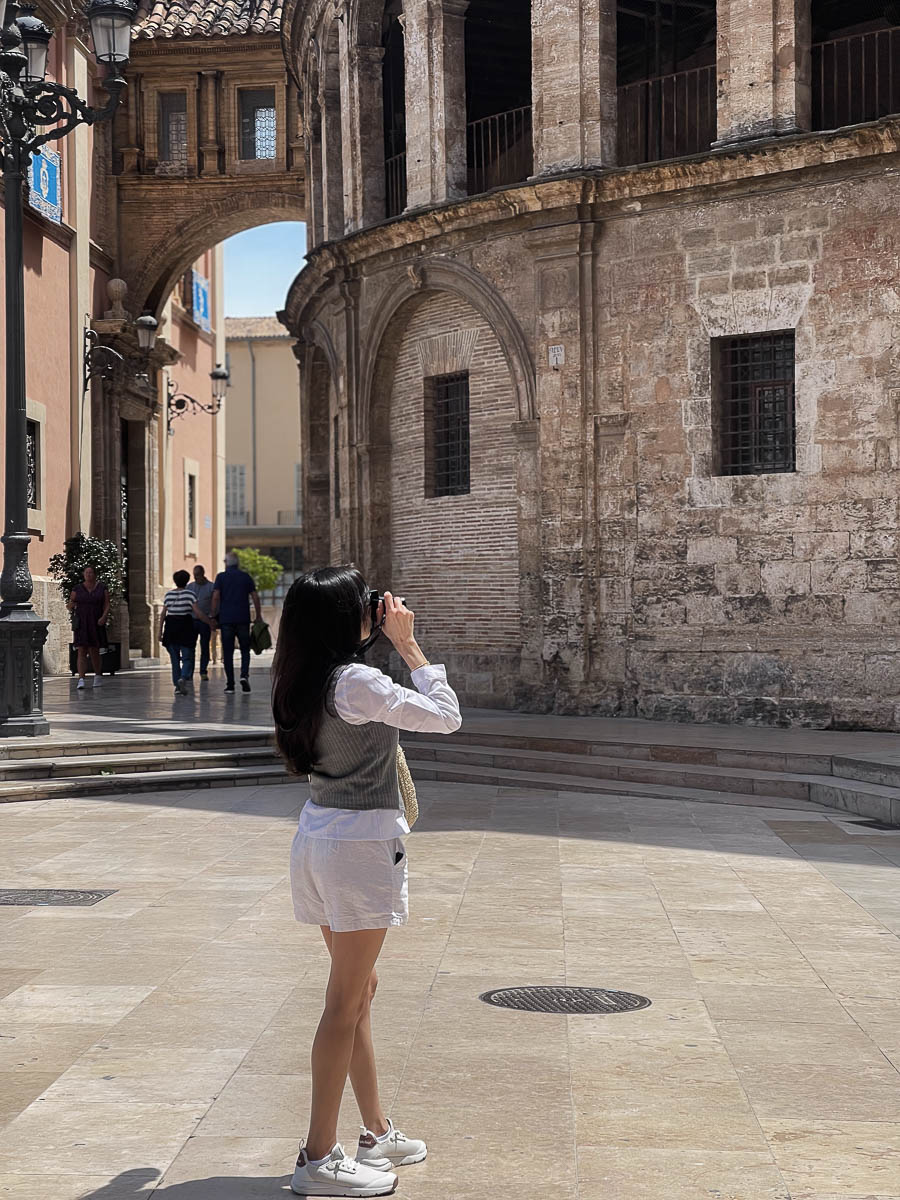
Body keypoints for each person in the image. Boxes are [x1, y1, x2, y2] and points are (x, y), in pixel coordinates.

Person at [271, 567, 461, 1198]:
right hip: (356, 849)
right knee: (344, 1002)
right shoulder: (358, 681)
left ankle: (375, 1132)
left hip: (320, 839)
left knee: (361, 988)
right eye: (364, 604)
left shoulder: (307, 673)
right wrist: (409, 646)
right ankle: (317, 1156)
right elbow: (446, 717)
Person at [211, 551, 261, 695]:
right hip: (243, 619)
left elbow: (215, 597)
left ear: (226, 563)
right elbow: (255, 596)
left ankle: (230, 685)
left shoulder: (221, 577)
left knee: (228, 652)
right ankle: (244, 675)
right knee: (245, 649)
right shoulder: (245, 577)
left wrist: (213, 615)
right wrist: (258, 615)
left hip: (226, 620)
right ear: (237, 563)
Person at [161, 570, 213, 696]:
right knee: (187, 657)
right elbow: (198, 613)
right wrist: (209, 622)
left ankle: (177, 687)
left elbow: (163, 614)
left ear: (175, 581)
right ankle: (183, 677)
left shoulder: (168, 595)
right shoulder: (190, 594)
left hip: (171, 628)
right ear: (187, 580)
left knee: (174, 660)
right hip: (185, 628)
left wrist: (159, 632)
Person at [68, 565, 110, 690]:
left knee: (94, 650)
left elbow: (107, 604)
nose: (89, 575)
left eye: (91, 572)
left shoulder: (102, 588)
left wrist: (103, 617)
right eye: (86, 572)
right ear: (83, 574)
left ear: (95, 574)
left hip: (96, 621)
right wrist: (71, 604)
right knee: (81, 650)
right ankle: (81, 679)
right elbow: (70, 604)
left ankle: (97, 675)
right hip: (82, 622)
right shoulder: (77, 588)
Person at [188, 564, 216, 680]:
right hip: (192, 620)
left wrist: (212, 617)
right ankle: (189, 672)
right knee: (190, 647)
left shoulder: (211, 587)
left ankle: (203, 671)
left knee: (205, 646)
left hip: (205, 621)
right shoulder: (190, 587)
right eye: (194, 575)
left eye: (198, 575)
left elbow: (215, 603)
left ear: (203, 574)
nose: (196, 578)